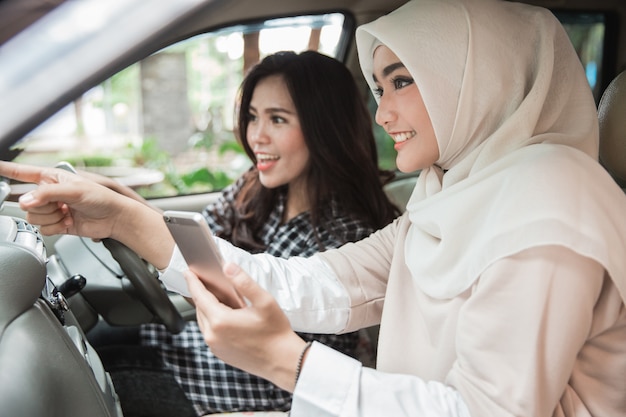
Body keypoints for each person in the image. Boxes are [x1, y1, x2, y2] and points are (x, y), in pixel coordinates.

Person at [3, 0, 626, 415]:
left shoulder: (550, 205)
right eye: (378, 88)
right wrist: (125, 220)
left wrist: (287, 363)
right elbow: (328, 281)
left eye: (404, 81)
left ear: (480, 75)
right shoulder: (460, 190)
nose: (382, 113)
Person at [2, 50, 399, 417]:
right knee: (92, 346)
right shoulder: (258, 189)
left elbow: (275, 329)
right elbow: (185, 236)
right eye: (253, 116)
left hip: (256, 387)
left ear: (324, 128)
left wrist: (122, 216)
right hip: (198, 349)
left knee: (91, 373)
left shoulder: (348, 233)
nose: (255, 135)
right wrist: (110, 193)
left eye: (277, 119)